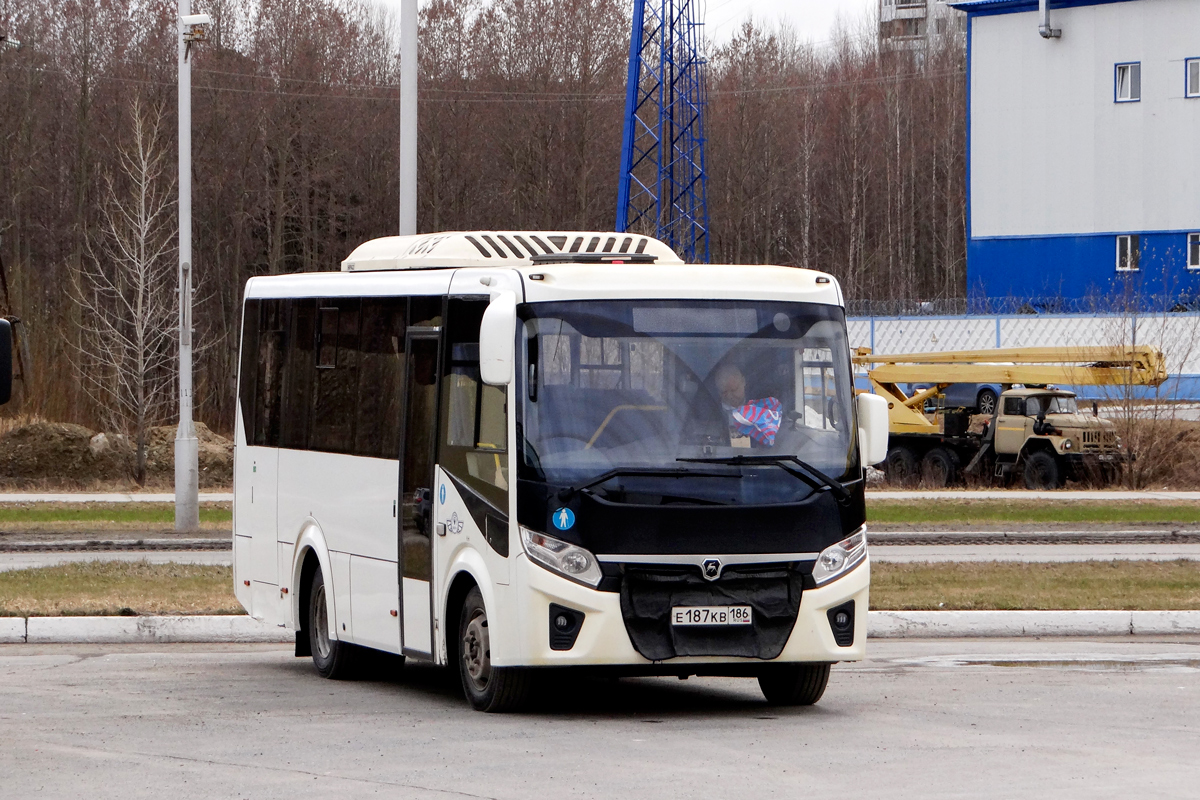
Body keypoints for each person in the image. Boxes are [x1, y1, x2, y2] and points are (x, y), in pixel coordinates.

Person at [714, 363, 782, 447]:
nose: (729, 396)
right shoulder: (708, 414)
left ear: (743, 382)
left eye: (734, 390)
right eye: (724, 392)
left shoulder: (761, 407)